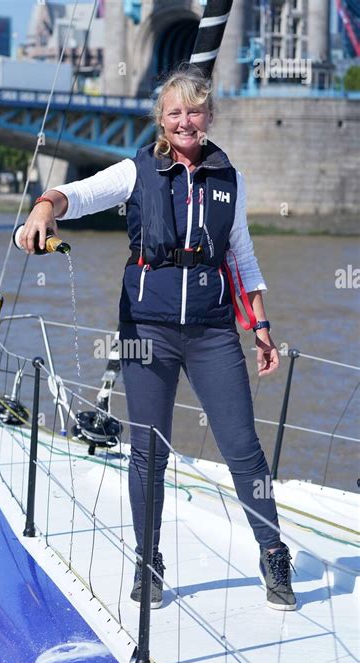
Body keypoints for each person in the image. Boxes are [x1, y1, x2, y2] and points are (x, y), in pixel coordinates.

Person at [19, 64, 297, 612]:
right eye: (175, 112)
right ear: (162, 120)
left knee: (244, 449)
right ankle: (148, 562)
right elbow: (77, 193)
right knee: (148, 450)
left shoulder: (228, 178)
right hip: (147, 328)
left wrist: (260, 326)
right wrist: (45, 207)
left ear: (209, 116)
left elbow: (240, 255)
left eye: (195, 111)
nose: (186, 121)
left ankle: (273, 554)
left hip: (214, 330)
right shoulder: (136, 171)